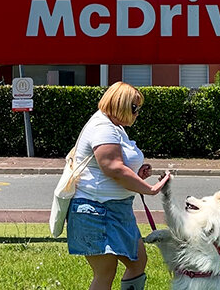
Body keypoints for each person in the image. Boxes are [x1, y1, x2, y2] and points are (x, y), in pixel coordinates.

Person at [67, 81, 170, 290]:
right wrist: (149, 189)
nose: (138, 112)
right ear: (120, 104)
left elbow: (119, 167)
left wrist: (137, 175)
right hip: (95, 209)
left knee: (138, 262)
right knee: (105, 272)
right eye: (135, 107)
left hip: (117, 209)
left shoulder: (116, 127)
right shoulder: (102, 128)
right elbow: (113, 168)